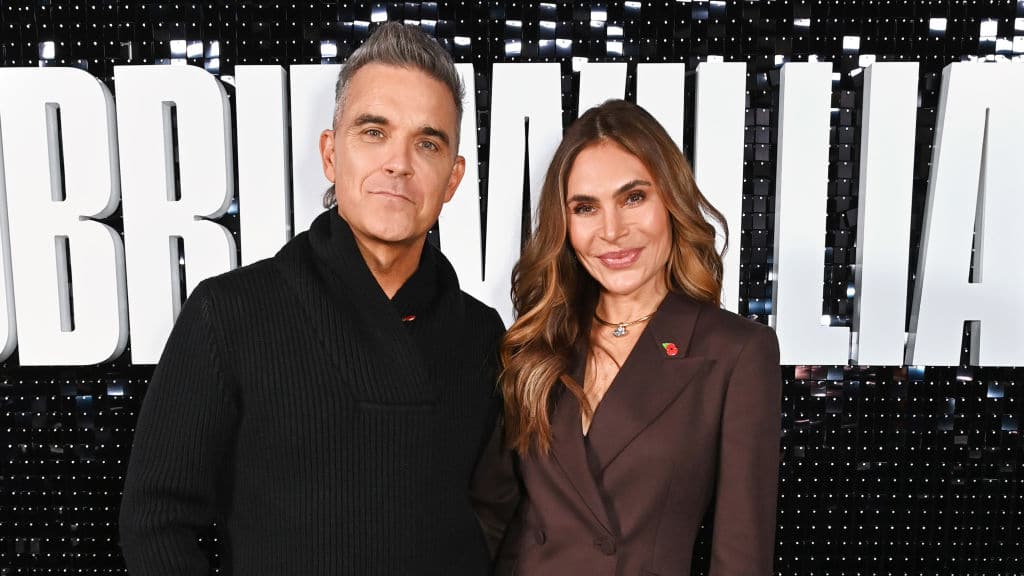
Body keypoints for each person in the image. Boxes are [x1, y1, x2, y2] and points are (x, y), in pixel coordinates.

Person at [119, 22, 506, 575]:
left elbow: (497, 516)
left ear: (453, 179)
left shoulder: (482, 335)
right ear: (330, 154)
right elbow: (155, 521)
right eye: (373, 132)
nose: (399, 162)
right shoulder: (229, 315)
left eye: (427, 143)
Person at [482, 99, 782, 575]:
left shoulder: (735, 351)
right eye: (586, 208)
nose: (612, 231)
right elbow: (493, 521)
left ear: (671, 202)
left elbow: (741, 557)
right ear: (565, 225)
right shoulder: (538, 344)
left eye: (633, 198)